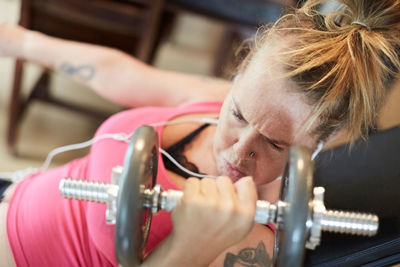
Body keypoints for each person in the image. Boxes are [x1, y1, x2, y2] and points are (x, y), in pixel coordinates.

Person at [0, 0, 399, 266]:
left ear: (321, 144)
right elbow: (122, 75)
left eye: (276, 143)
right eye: (238, 114)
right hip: (15, 189)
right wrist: (21, 42)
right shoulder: (216, 100)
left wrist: (193, 241)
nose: (239, 152)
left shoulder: (255, 241)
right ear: (238, 75)